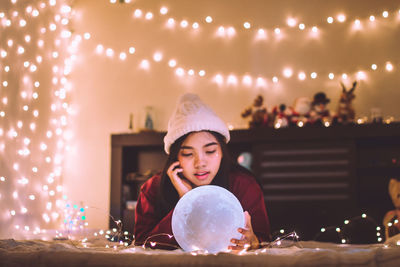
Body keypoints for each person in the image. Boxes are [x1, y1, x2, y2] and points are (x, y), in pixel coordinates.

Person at [134, 93, 271, 251]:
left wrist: (253, 241)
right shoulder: (153, 188)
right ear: (175, 157)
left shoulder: (244, 184)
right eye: (188, 154)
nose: (200, 163)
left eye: (210, 151)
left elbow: (263, 240)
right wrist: (186, 204)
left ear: (222, 151)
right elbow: (142, 245)